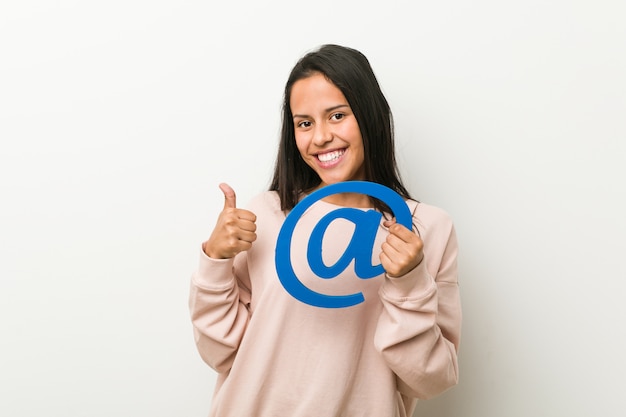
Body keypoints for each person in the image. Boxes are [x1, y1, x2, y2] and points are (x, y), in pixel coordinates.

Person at [189, 44, 461, 417]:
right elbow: (220, 353)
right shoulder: (266, 215)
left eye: (336, 116)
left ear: (370, 116)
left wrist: (410, 283)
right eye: (304, 123)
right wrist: (215, 262)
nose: (320, 137)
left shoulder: (428, 228)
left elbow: (430, 380)